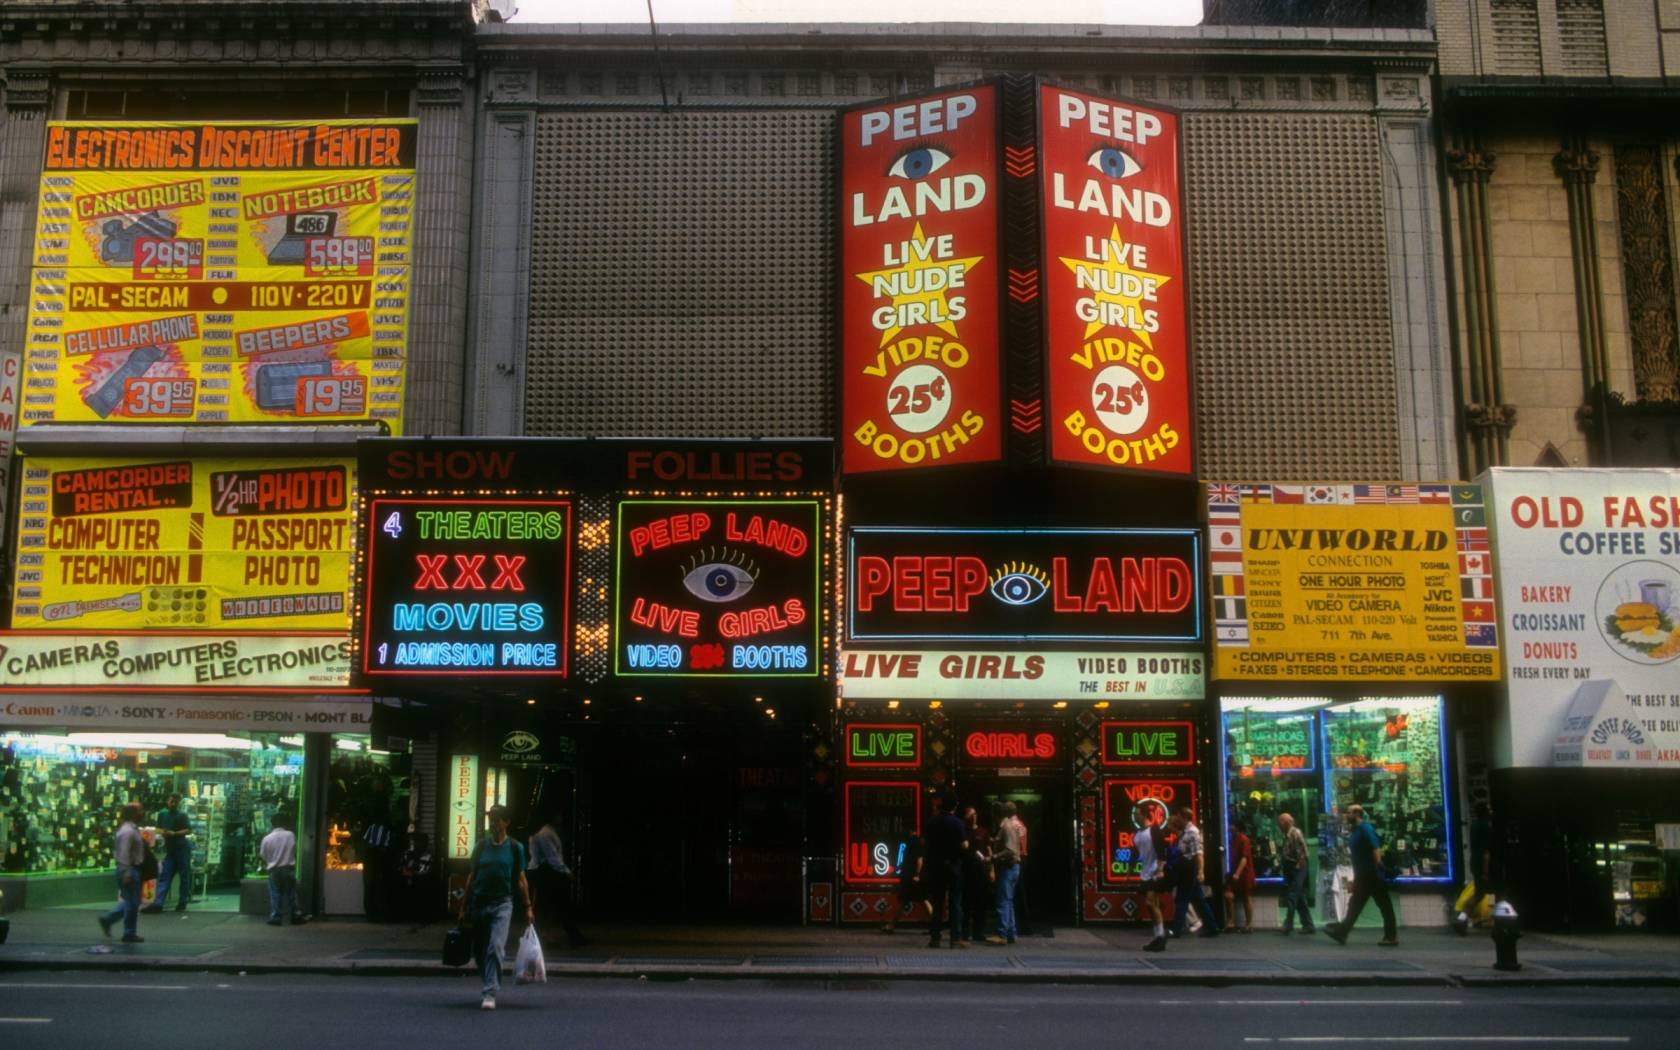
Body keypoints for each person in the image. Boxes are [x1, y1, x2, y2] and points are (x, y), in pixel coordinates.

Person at [458, 805, 534, 1010]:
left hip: (502, 903)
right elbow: (472, 877)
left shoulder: (514, 847)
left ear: (506, 822)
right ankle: (488, 980)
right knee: (480, 951)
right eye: (491, 819)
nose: (493, 823)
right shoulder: (481, 846)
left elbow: (521, 880)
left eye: (497, 819)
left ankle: (490, 992)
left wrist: (528, 907)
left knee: (496, 946)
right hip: (479, 903)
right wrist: (463, 907)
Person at [1326, 804, 1398, 947]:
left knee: (1383, 905)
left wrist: (1379, 865)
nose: (1346, 815)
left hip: (1372, 874)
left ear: (1357, 814)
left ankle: (1391, 936)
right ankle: (1342, 932)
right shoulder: (1357, 830)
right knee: (1356, 904)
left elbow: (1375, 847)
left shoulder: (1366, 828)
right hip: (1363, 874)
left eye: (1349, 813)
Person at [528, 810, 588, 948]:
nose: (560, 817)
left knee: (547, 905)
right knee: (552, 904)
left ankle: (546, 934)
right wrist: (565, 870)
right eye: (558, 815)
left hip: (543, 871)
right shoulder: (545, 834)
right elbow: (552, 856)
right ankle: (548, 934)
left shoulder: (545, 832)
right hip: (545, 872)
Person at [922, 794, 968, 948]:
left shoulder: (932, 821)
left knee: (937, 901)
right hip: (953, 865)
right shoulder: (957, 823)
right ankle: (955, 938)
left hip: (936, 865)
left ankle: (935, 938)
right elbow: (964, 846)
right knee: (955, 901)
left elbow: (925, 843)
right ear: (954, 807)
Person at [1167, 808, 1219, 938]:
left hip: (1189, 870)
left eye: (1179, 817)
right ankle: (1212, 927)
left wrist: (1201, 871)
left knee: (1182, 899)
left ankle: (1176, 929)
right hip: (1185, 870)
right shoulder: (1184, 832)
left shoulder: (1193, 832)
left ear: (1185, 818)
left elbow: (1198, 853)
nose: (1177, 820)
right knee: (1199, 900)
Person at [98, 803, 145, 943]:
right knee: (132, 904)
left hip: (130, 869)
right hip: (129, 869)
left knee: (131, 901)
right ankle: (129, 933)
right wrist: (126, 872)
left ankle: (108, 919)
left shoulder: (129, 829)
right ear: (133, 814)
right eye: (140, 811)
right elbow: (123, 853)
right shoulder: (128, 831)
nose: (143, 813)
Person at [142, 793, 191, 914]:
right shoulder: (162, 814)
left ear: (178, 803)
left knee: (184, 877)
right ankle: (158, 903)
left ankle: (182, 902)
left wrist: (175, 833)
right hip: (171, 849)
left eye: (175, 802)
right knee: (165, 875)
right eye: (171, 801)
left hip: (181, 849)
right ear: (168, 801)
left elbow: (188, 830)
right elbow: (158, 828)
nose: (173, 803)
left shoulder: (182, 815)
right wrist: (164, 832)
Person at [1134, 799, 1172, 952]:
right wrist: (1130, 871)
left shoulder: (1154, 830)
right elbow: (1136, 853)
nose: (1135, 817)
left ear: (1144, 815)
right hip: (1145, 873)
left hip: (1155, 871)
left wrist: (1161, 869)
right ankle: (1159, 936)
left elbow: (1161, 850)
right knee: (1152, 906)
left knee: (1150, 903)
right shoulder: (1137, 834)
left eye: (1137, 814)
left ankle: (1161, 937)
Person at [985, 802, 1024, 946]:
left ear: (996, 815)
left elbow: (1010, 850)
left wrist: (993, 857)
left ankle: (1002, 934)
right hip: (1012, 868)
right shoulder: (1007, 826)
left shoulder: (1006, 827)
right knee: (1008, 900)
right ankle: (1011, 933)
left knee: (1003, 901)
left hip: (1008, 868)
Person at [1454, 803, 1495, 935]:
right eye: (1488, 809)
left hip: (1475, 861)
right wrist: (1486, 870)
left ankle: (1462, 918)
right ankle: (1499, 919)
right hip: (1484, 863)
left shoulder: (1474, 826)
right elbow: (1487, 852)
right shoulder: (1486, 827)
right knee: (1495, 891)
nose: (1491, 811)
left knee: (1478, 893)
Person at [259, 811, 306, 926]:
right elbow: (293, 849)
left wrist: (271, 861)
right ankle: (295, 915)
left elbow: (263, 854)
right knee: (291, 893)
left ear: (272, 824)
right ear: (284, 823)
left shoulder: (267, 838)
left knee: (275, 893)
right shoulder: (290, 835)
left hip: (273, 870)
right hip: (288, 868)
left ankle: (276, 916)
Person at [360, 777, 394, 922]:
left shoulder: (369, 806)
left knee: (369, 882)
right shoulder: (383, 807)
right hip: (380, 849)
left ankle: (371, 912)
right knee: (382, 881)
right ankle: (382, 912)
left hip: (370, 849)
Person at [1276, 812, 1315, 935]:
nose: (1278, 825)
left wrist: (1297, 870)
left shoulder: (1295, 833)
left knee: (1293, 895)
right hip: (1291, 868)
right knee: (1299, 897)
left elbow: (1303, 854)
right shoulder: (1286, 835)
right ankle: (1308, 925)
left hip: (1297, 867)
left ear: (1287, 822)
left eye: (1280, 822)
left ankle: (1288, 924)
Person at [960, 806, 993, 945]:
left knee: (981, 904)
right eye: (970, 815)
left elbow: (989, 850)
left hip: (981, 872)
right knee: (966, 904)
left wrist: (991, 870)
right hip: (966, 872)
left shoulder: (983, 832)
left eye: (974, 814)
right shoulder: (962, 832)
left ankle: (978, 932)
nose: (973, 817)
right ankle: (965, 933)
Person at [881, 832, 925, 933]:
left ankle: (891, 925)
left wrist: (917, 875)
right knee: (921, 900)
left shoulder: (914, 842)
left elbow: (919, 859)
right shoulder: (911, 842)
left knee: (908, 900)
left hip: (911, 877)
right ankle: (935, 926)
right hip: (911, 877)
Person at [1224, 817, 1255, 933]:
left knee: (1246, 898)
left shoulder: (1243, 839)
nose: (1229, 827)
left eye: (1231, 825)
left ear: (1236, 827)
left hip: (1244, 873)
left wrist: (1237, 873)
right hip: (1234, 872)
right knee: (1228, 895)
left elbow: (1244, 858)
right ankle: (1231, 922)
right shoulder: (1233, 839)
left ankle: (1249, 924)